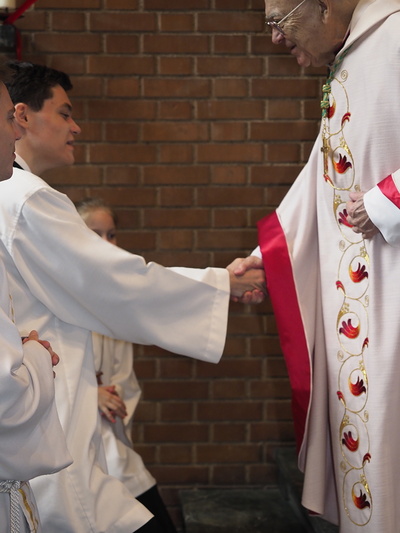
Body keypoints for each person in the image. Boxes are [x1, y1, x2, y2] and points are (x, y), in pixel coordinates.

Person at [1, 61, 266, 532]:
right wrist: (222, 283)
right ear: (22, 116)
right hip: (45, 411)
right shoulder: (25, 198)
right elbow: (113, 282)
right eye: (64, 113)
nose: (75, 127)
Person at [233, 1, 400, 531]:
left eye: (279, 22)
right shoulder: (352, 55)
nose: (277, 39)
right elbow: (321, 176)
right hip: (362, 306)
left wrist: (388, 201)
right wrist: (264, 258)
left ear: (323, 5)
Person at [76, 197, 177, 533]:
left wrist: (113, 395)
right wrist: (89, 394)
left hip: (110, 435)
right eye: (95, 233)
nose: (107, 242)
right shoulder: (60, 291)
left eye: (112, 234)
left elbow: (123, 375)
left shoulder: (115, 296)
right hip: (76, 437)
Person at [0, 71, 72, 532]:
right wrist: (35, 355)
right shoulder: (26, 196)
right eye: (9, 118)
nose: (17, 131)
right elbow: (7, 397)